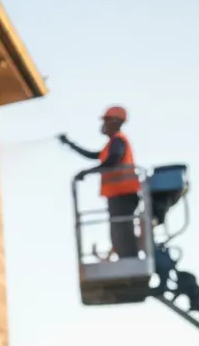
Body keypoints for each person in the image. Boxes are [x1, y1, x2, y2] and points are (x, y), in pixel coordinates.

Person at [60, 106, 143, 260]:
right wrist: (70, 144)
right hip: (118, 195)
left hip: (124, 194)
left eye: (106, 121)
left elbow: (112, 161)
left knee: (122, 230)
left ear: (115, 122)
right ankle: (126, 258)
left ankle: (129, 260)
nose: (103, 125)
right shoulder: (112, 143)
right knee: (118, 231)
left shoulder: (118, 141)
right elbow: (94, 155)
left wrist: (86, 173)